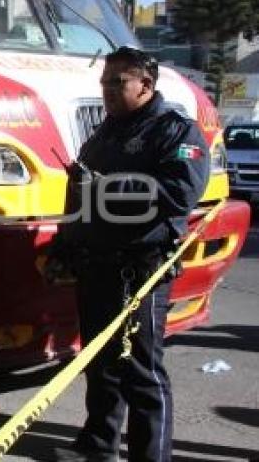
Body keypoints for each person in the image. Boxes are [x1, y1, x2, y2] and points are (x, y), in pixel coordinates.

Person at [49, 47, 210, 462]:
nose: (107, 90)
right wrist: (64, 245)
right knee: (100, 364)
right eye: (104, 82)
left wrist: (110, 186)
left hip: (141, 270)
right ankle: (98, 447)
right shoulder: (104, 134)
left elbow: (179, 194)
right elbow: (79, 198)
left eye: (117, 82)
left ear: (146, 84)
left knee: (142, 371)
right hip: (96, 266)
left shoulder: (174, 132)